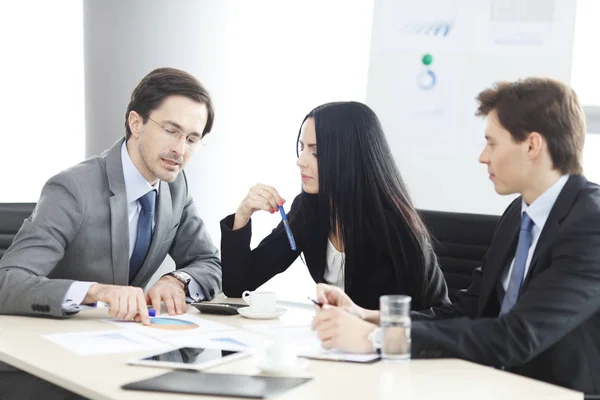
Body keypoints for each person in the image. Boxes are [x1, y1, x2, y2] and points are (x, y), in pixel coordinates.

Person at [312, 78, 600, 394]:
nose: (483, 157)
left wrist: (378, 341)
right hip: (493, 383)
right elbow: (467, 309)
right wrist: (370, 318)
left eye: (492, 143)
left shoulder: (591, 225)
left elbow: (517, 336)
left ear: (532, 145)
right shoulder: (518, 214)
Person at [0, 68, 222, 398]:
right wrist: (95, 292)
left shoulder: (175, 188)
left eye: (192, 139)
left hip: (126, 356)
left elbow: (209, 263)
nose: (180, 149)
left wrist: (178, 280)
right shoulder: (73, 188)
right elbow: (8, 281)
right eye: (171, 131)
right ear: (136, 123)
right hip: (52, 362)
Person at [220, 101, 449, 311]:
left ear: (348, 157)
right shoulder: (309, 210)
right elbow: (238, 284)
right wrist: (243, 214)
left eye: (316, 152)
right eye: (302, 148)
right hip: (336, 347)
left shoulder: (395, 228)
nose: (300, 161)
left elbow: (438, 315)